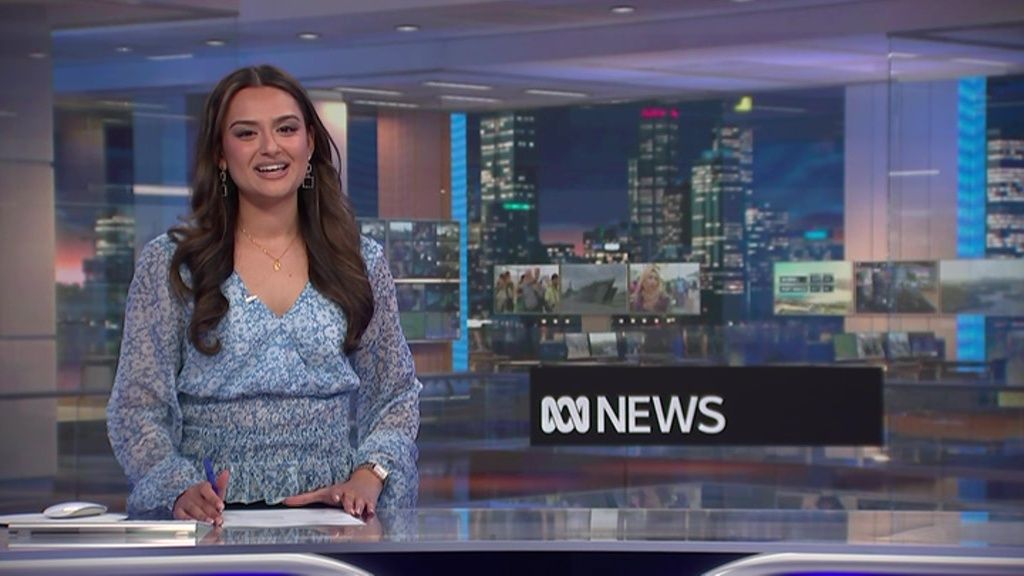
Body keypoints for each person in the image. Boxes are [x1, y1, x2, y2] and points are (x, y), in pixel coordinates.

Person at [106, 65, 421, 525]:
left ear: (309, 142)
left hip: (335, 519)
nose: (270, 147)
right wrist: (176, 486)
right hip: (210, 522)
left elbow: (396, 395)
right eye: (246, 133)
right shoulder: (172, 264)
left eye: (286, 129)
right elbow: (136, 407)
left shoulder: (359, 260)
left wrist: (370, 474)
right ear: (220, 153)